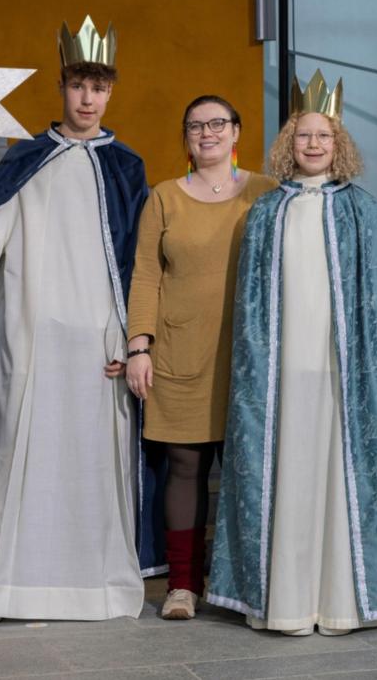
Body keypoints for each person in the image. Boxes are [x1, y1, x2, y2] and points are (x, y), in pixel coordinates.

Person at [0, 16, 164, 625]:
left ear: (112, 91)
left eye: (101, 87)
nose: (89, 99)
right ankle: (5, 587)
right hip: (27, 336)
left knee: (94, 464)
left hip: (98, 343)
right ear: (62, 85)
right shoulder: (24, 160)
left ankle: (99, 587)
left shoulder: (127, 168)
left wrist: (135, 337)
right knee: (16, 455)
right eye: (80, 85)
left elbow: (140, 261)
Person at [207, 71, 377, 636]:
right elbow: (253, 305)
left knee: (338, 480)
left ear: (339, 145)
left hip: (342, 376)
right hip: (282, 376)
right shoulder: (265, 212)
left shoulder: (364, 210)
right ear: (288, 142)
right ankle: (285, 601)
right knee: (291, 476)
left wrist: (370, 369)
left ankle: (341, 602)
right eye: (303, 136)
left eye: (323, 137)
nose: (312, 145)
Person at [125, 94, 277, 620]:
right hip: (180, 352)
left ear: (236, 131)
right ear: (185, 137)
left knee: (250, 471)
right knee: (185, 468)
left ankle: (250, 584)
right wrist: (138, 345)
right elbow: (146, 273)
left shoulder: (265, 191)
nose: (207, 132)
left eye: (217, 123)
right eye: (195, 125)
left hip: (251, 357)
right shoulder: (164, 197)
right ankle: (183, 587)